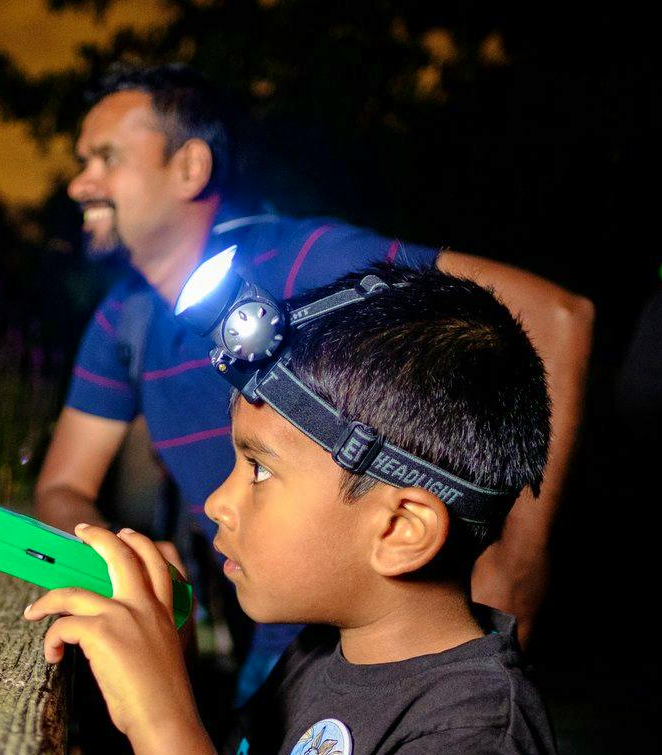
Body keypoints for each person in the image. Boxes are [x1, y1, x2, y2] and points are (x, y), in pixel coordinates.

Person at [24, 264, 558, 755]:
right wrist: (163, 663)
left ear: (401, 530)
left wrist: (162, 719)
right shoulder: (323, 649)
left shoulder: (469, 744)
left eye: (258, 469)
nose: (215, 502)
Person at [34, 63, 592, 695]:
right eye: (83, 161)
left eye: (106, 158)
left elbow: (557, 317)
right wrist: (120, 554)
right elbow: (62, 485)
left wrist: (517, 559)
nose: (81, 183)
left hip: (383, 635)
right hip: (272, 640)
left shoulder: (304, 257)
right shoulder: (122, 320)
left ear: (190, 167)